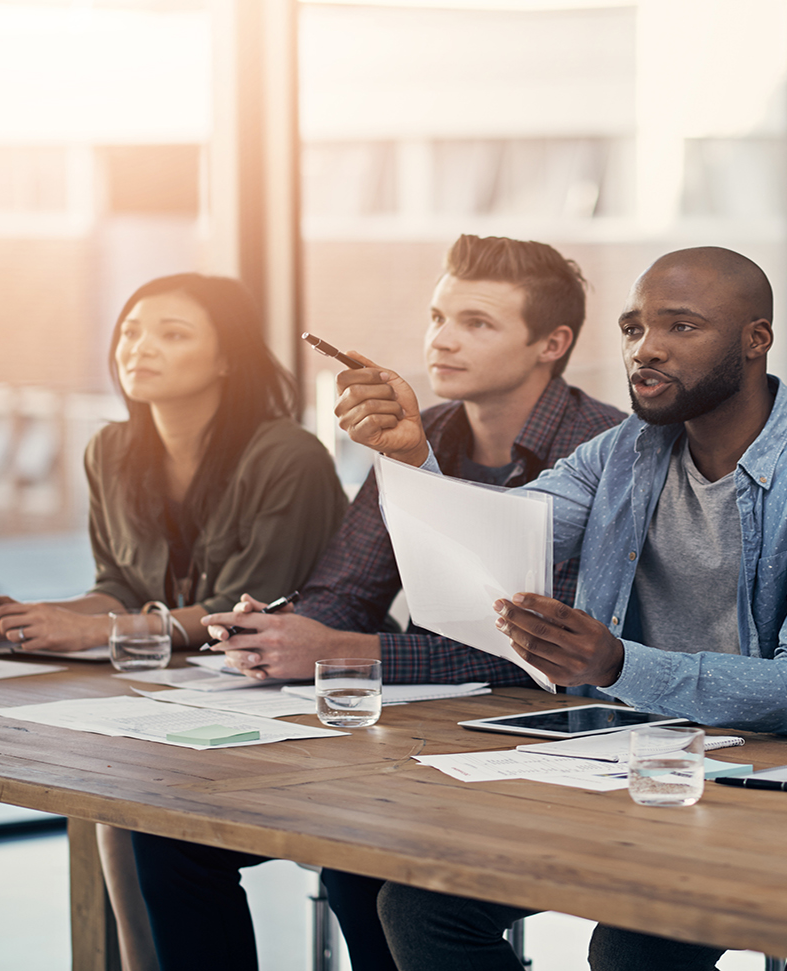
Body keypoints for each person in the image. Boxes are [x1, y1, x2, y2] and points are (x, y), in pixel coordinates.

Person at [343, 246, 787, 971]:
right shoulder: (623, 450)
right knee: (421, 903)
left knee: (631, 947)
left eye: (680, 327)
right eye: (634, 328)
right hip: (633, 760)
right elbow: (499, 543)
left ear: (755, 339)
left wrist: (618, 663)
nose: (645, 350)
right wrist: (409, 454)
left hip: (780, 783)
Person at [128, 236, 626, 971]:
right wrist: (280, 627)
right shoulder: (423, 434)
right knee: (168, 836)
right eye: (436, 315)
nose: (442, 338)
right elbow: (347, 589)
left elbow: (538, 652)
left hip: (561, 753)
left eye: (477, 323)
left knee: (368, 859)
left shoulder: (604, 451)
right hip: (423, 743)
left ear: (551, 344)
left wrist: (338, 649)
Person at [0, 272, 347, 971]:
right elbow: (118, 586)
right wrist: (28, 620)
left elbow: (252, 609)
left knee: (134, 806)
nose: (142, 347)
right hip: (178, 710)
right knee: (120, 795)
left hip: (299, 713)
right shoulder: (109, 450)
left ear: (227, 356)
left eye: (173, 333)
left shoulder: (288, 455)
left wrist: (104, 632)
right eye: (132, 330)